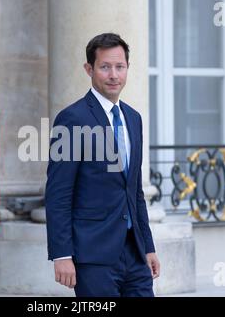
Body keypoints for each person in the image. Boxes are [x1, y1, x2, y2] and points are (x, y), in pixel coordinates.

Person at [45, 33, 160, 297]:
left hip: (134, 252)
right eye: (105, 67)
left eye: (120, 67)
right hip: (93, 255)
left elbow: (134, 191)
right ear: (89, 69)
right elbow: (59, 193)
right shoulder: (72, 119)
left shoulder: (133, 118)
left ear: (128, 68)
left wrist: (148, 246)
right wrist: (62, 254)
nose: (113, 75)